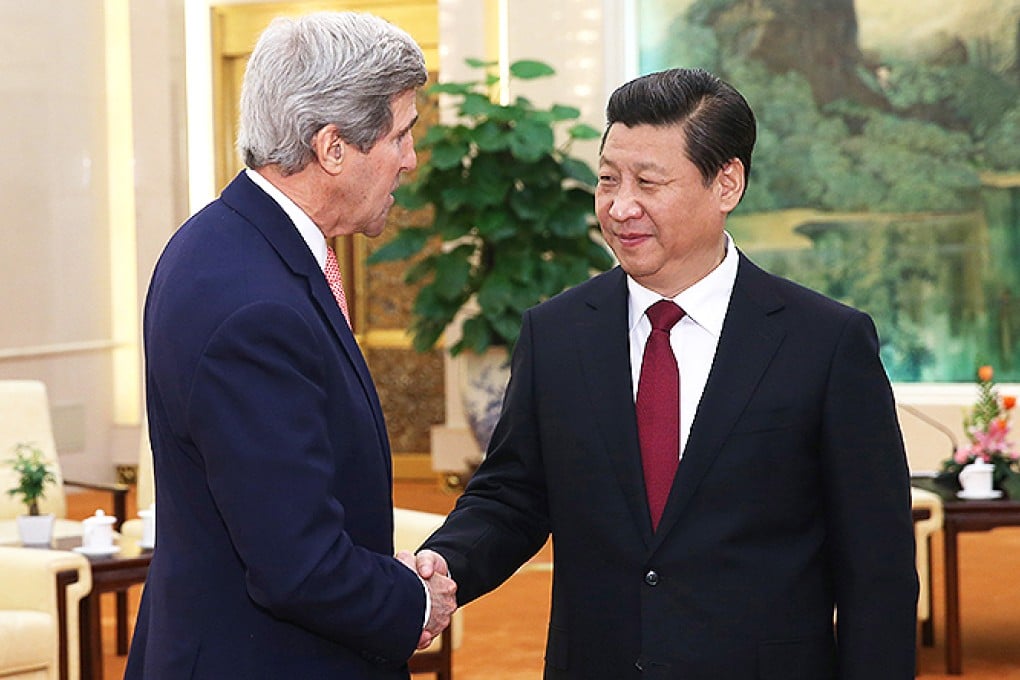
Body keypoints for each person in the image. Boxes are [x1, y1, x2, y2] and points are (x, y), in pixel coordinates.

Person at [415, 68, 918, 679]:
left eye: (648, 182)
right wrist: (444, 566)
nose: (620, 206)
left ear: (726, 183)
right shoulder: (556, 334)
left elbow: (877, 567)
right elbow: (512, 495)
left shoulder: (825, 342)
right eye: (608, 179)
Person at [125, 12, 455, 679]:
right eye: (400, 134)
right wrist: (414, 601)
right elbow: (296, 564)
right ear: (332, 147)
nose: (411, 159)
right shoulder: (254, 305)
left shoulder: (223, 243)